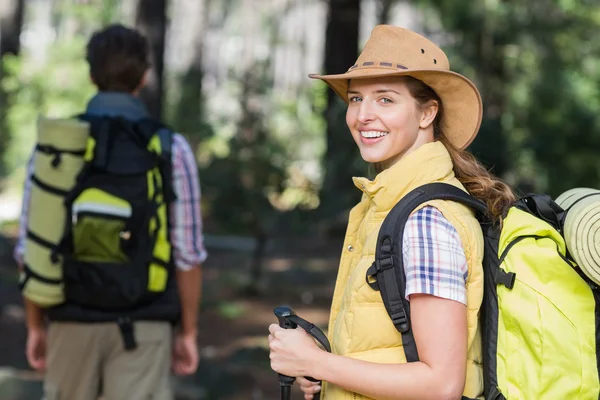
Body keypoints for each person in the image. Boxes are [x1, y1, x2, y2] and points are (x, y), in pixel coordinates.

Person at [268, 25, 515, 400]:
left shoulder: (426, 219)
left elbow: (442, 384)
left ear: (426, 113)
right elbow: (389, 344)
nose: (363, 115)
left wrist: (316, 364)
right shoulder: (387, 203)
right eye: (355, 99)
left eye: (385, 100)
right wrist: (323, 369)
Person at [13, 24, 207, 400]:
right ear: (144, 76)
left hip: (69, 322)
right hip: (146, 325)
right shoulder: (170, 147)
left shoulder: (57, 147)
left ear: (90, 75)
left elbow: (31, 245)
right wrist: (187, 332)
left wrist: (36, 327)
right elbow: (188, 256)